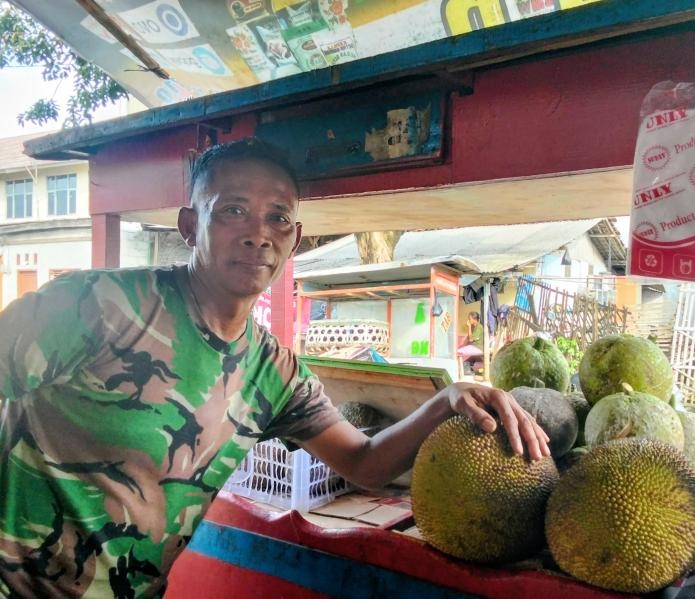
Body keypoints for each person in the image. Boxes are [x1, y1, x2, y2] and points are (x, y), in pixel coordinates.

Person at [0, 138, 550, 599]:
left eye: (278, 218)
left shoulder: (273, 370)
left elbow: (364, 464)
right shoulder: (96, 305)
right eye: (233, 209)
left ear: (294, 236)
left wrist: (448, 399)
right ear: (191, 224)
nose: (257, 234)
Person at [457, 311, 485, 375]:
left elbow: (471, 339)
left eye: (470, 319)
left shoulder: (479, 327)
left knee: (459, 352)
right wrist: (463, 344)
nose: (468, 320)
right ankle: (468, 369)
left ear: (475, 319)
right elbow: (468, 339)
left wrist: (469, 327)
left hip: (478, 347)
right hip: (475, 346)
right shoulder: (474, 327)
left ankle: (465, 370)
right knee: (465, 354)